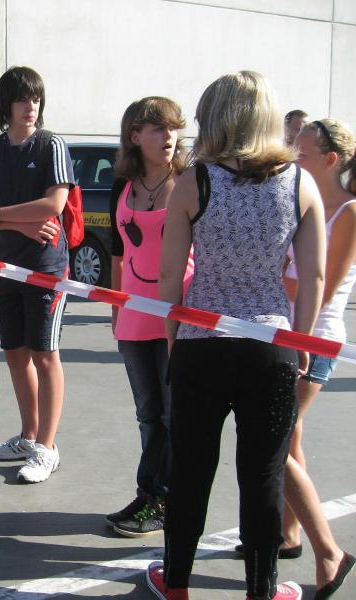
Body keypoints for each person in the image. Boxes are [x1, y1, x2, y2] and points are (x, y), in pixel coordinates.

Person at [151, 70, 325, 600]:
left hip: (202, 341)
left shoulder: (194, 181)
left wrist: (174, 334)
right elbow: (314, 276)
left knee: (191, 469)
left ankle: (176, 583)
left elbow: (169, 274)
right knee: (263, 474)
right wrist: (302, 341)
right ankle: (261, 590)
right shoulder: (301, 184)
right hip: (271, 346)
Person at [0, 65, 74, 484]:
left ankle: (47, 447)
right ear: (6, 105)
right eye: (21, 99)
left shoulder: (51, 146)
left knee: (44, 354)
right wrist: (21, 224)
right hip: (5, 266)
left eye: (35, 98)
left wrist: (1, 216)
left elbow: (54, 205)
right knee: (15, 352)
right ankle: (29, 436)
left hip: (46, 267)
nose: (30, 106)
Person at [105, 96, 193, 537]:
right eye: (158, 128)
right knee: (148, 413)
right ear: (135, 136)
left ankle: (165, 499)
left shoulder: (189, 182)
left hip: (179, 313)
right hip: (134, 315)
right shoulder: (122, 186)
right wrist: (116, 309)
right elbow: (117, 256)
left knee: (174, 415)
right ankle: (149, 495)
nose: (169, 136)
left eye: (174, 127)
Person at [275, 118, 355, 597]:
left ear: (330, 160)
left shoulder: (348, 212)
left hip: (314, 342)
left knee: (272, 440)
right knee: (288, 438)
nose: (293, 162)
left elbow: (317, 289)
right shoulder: (302, 201)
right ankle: (289, 535)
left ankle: (330, 551)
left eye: (301, 155)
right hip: (285, 335)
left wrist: (274, 274)